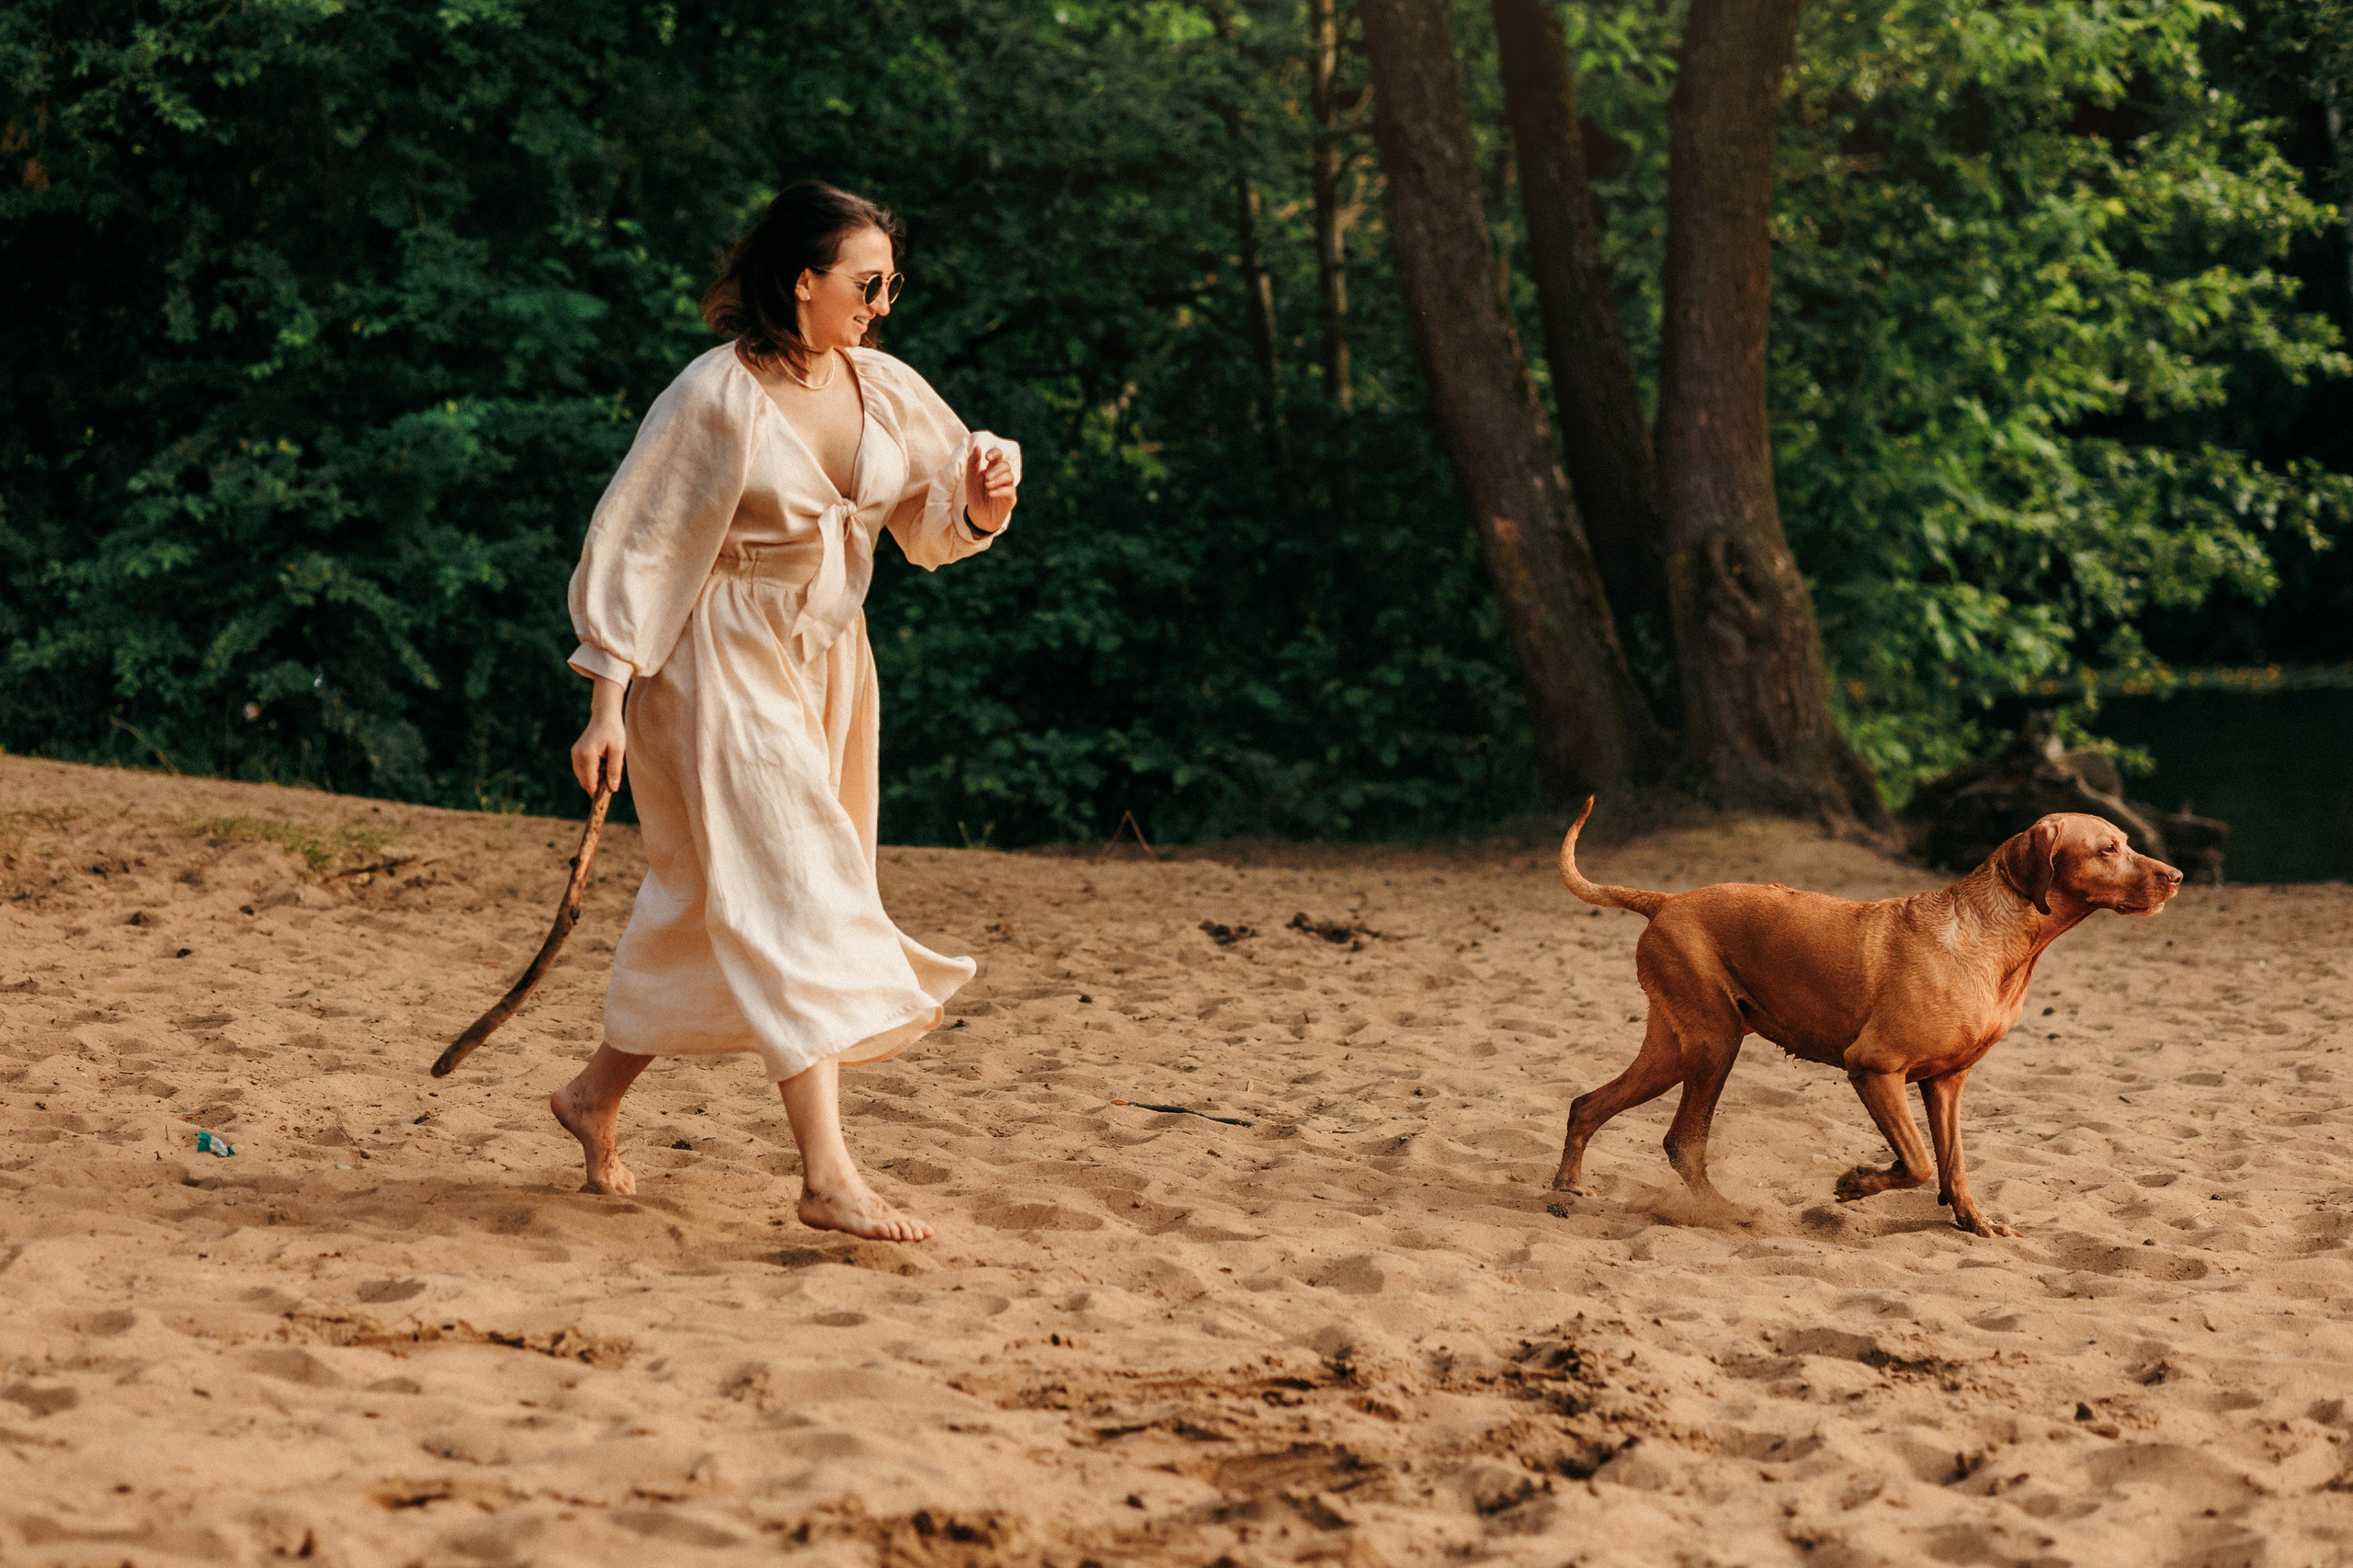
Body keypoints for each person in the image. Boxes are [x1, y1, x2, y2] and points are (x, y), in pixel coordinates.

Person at [550, 182, 1018, 1242]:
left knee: (718, 898)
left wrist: (985, 494)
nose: (881, 303)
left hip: (827, 661)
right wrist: (607, 702)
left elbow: (931, 515)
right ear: (800, 282)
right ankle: (827, 1173)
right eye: (865, 283)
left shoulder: (883, 386)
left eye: (890, 283)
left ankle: (591, 1095)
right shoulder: (711, 396)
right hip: (714, 658)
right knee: (799, 885)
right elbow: (638, 545)